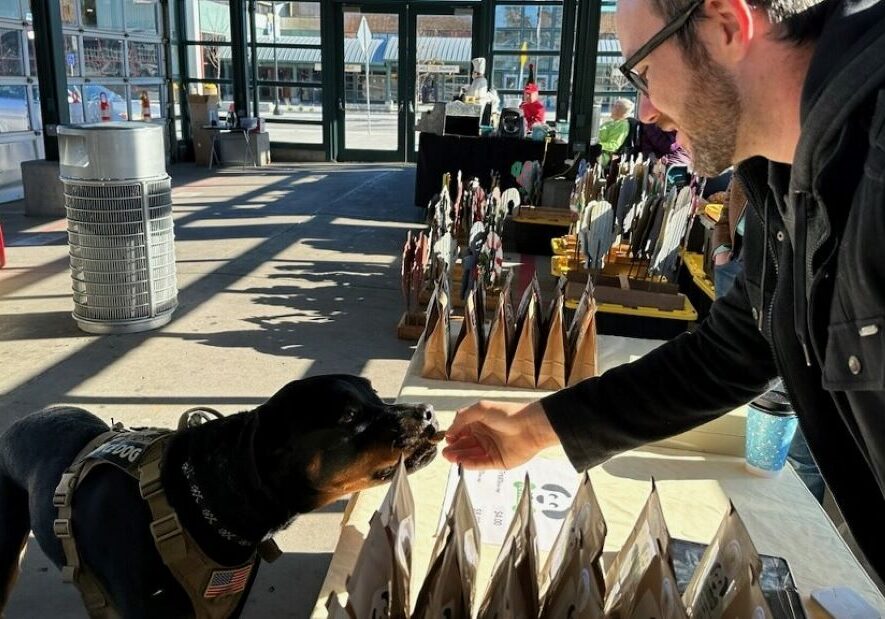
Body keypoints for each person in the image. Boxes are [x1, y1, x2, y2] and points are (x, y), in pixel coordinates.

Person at [443, 0, 885, 581]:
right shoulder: (787, 170)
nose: (646, 112)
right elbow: (734, 349)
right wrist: (535, 428)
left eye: (643, 72)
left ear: (728, 24)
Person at [597, 98, 634, 166]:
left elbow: (614, 146)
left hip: (602, 155)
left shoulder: (622, 125)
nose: (612, 108)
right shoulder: (609, 123)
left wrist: (596, 145)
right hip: (594, 150)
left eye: (614, 106)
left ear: (619, 110)